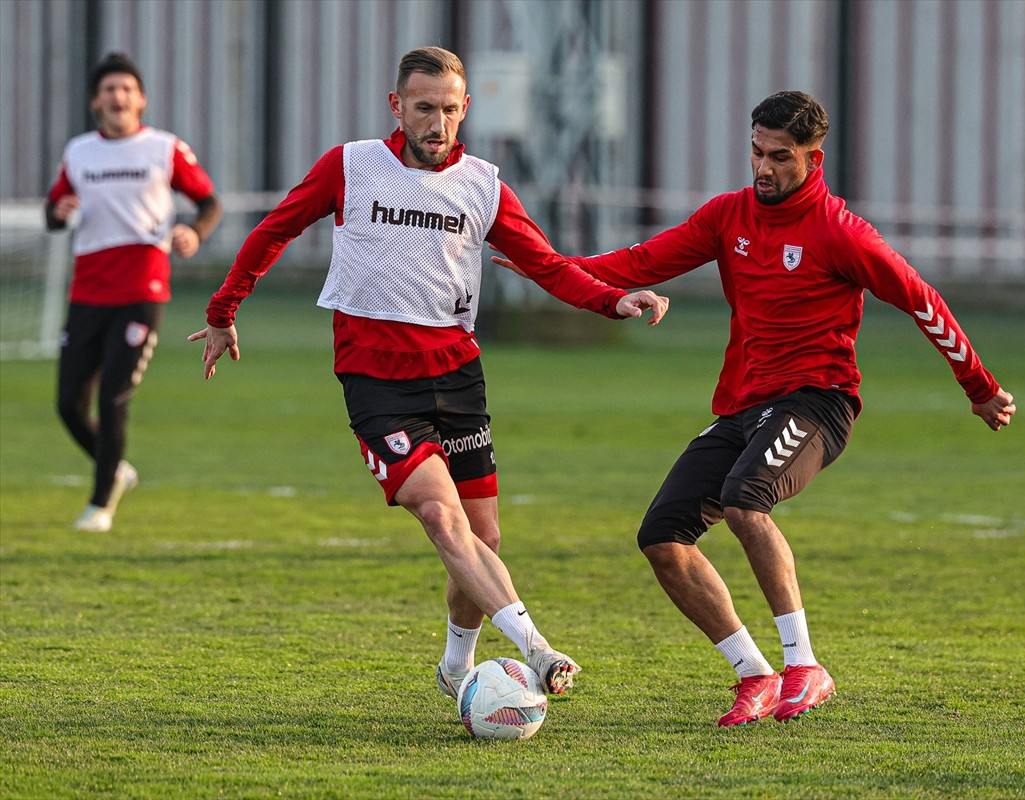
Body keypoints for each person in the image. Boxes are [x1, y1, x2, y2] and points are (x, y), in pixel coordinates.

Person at [494, 90, 1016, 726]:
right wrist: (552, 269)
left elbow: (922, 300)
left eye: (780, 156)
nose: (763, 167)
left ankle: (805, 664)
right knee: (661, 537)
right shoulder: (729, 216)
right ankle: (755, 673)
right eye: (757, 152)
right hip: (745, 406)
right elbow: (639, 261)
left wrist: (979, 387)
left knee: (746, 500)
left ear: (813, 159)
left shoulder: (841, 233)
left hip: (819, 401)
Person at [188, 46, 668, 698]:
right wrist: (223, 311)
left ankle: (455, 667)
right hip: (377, 382)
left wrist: (613, 300)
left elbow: (546, 264)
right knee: (443, 518)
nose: (436, 123)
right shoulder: (351, 166)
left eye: (448, 109)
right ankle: (537, 648)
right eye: (422, 108)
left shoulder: (485, 185)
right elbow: (274, 230)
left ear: (465, 108)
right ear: (397, 106)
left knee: (485, 535)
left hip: (458, 376)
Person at [45, 51, 222, 533]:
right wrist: (58, 212)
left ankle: (100, 505)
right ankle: (117, 469)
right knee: (68, 405)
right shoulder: (79, 152)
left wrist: (194, 233)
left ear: (141, 99)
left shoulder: (163, 148)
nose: (118, 96)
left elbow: (209, 203)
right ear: (95, 101)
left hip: (141, 291)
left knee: (114, 399)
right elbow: (53, 212)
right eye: (109, 89)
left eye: (126, 88)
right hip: (87, 292)